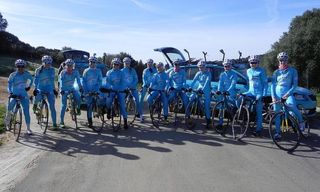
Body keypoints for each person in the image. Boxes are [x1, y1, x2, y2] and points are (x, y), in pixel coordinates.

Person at [271, 52, 304, 139]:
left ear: (287, 60)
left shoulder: (293, 71)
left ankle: (301, 122)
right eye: (281, 60)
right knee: (277, 114)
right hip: (277, 95)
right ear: (278, 61)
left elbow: (295, 85)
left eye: (284, 60)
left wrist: (287, 94)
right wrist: (273, 97)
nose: (283, 62)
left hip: (288, 94)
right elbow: (272, 86)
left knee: (292, 106)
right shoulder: (276, 72)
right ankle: (277, 133)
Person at [5, 59, 33, 135]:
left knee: (26, 111)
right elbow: (9, 85)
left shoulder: (27, 74)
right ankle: (7, 124)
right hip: (15, 94)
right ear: (16, 66)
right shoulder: (12, 75)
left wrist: (28, 86)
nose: (20, 68)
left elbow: (31, 80)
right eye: (18, 66)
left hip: (24, 95)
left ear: (24, 67)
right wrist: (10, 92)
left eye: (22, 66)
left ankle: (28, 128)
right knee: (9, 108)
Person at [241, 55, 267, 136]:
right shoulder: (248, 71)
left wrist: (263, 95)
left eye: (255, 62)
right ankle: (243, 116)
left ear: (258, 63)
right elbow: (248, 82)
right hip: (250, 92)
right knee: (239, 97)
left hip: (259, 93)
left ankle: (259, 129)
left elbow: (265, 84)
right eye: (251, 62)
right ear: (249, 63)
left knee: (259, 112)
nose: (253, 64)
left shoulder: (261, 71)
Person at [33, 55, 58, 129]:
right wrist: (35, 89)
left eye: (50, 63)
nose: (48, 65)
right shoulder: (38, 70)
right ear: (43, 62)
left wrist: (54, 89)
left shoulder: (52, 70)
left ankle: (54, 124)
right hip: (40, 88)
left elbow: (52, 81)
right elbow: (36, 80)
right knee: (37, 98)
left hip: (49, 89)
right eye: (46, 63)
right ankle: (35, 105)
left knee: (52, 107)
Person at [106, 58, 128, 129]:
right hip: (112, 89)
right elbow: (108, 82)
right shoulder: (109, 72)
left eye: (117, 64)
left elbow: (123, 82)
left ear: (119, 65)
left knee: (122, 104)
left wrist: (122, 89)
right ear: (112, 64)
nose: (116, 65)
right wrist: (109, 88)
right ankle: (109, 110)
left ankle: (125, 121)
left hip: (120, 90)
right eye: (114, 64)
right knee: (108, 101)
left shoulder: (122, 73)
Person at [58, 59, 82, 128]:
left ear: (73, 66)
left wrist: (80, 87)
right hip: (64, 90)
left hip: (72, 89)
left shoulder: (75, 72)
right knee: (63, 106)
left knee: (78, 97)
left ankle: (78, 108)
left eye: (71, 66)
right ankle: (61, 122)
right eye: (68, 66)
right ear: (65, 66)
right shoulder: (63, 72)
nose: (69, 67)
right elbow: (61, 82)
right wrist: (61, 90)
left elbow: (78, 81)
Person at [189, 61, 212, 128]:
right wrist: (190, 87)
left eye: (202, 67)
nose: (201, 68)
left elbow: (207, 82)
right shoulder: (198, 73)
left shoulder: (208, 73)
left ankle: (208, 121)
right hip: (199, 88)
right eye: (199, 67)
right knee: (191, 97)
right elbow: (194, 81)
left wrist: (203, 89)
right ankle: (197, 109)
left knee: (207, 106)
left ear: (205, 67)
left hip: (206, 90)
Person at [82, 56, 103, 128]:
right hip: (88, 91)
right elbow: (84, 81)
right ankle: (90, 121)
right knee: (89, 106)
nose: (92, 63)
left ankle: (99, 112)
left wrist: (96, 89)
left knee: (100, 100)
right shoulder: (86, 70)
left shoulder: (98, 71)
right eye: (90, 62)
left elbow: (100, 81)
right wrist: (86, 91)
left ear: (95, 63)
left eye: (93, 62)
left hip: (96, 90)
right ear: (89, 62)